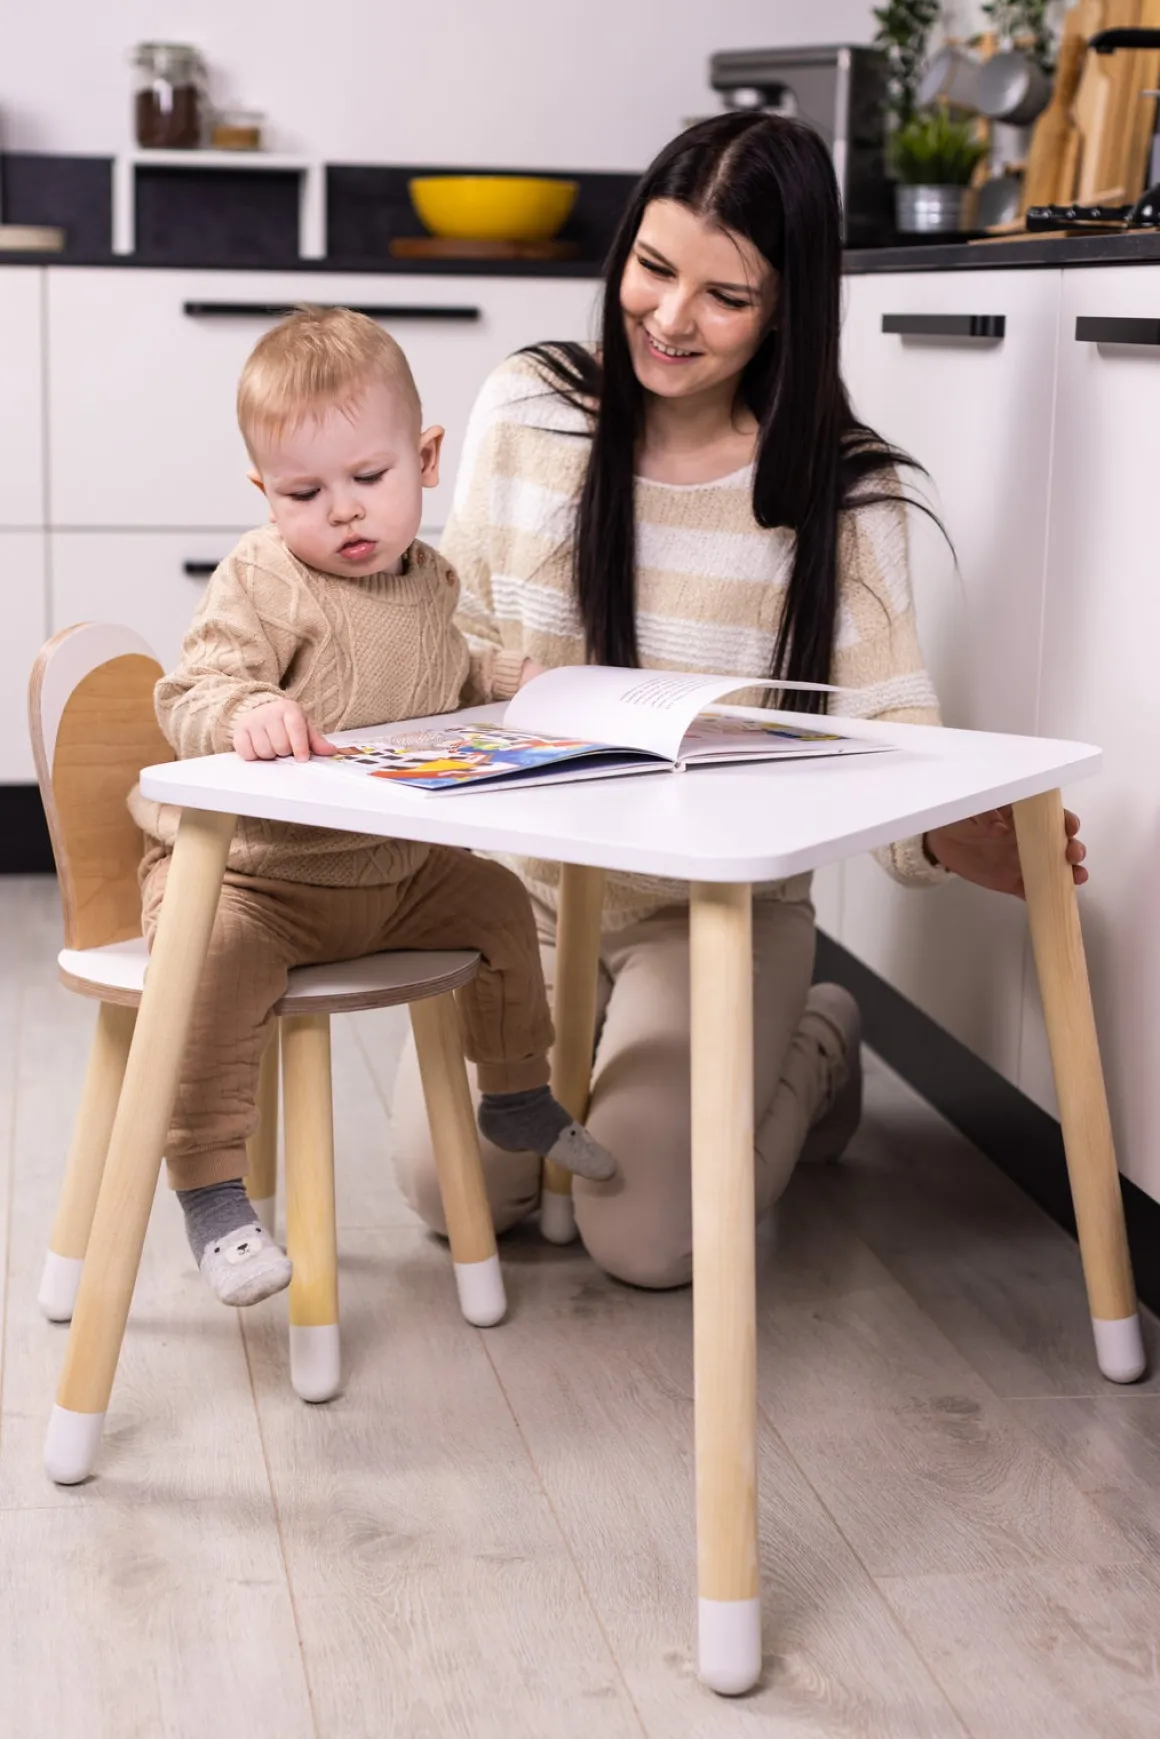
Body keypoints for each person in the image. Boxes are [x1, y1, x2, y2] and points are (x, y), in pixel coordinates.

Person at [390, 112, 1088, 1289]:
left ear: (785, 311)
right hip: (528, 901)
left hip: (712, 913)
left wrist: (941, 835)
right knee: (450, 1187)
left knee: (642, 1236)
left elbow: (885, 726)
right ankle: (616, 1072)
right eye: (652, 268)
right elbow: (450, 635)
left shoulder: (843, 492)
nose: (669, 318)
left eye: (724, 296)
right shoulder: (527, 409)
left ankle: (815, 1044)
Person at [130, 306, 616, 1308]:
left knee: (496, 902)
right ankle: (211, 1189)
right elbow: (189, 691)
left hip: (389, 875)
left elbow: (443, 669)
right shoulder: (263, 577)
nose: (344, 513)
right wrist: (248, 709)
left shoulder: (428, 579)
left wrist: (509, 677)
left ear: (425, 460)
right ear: (265, 494)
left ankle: (517, 1090)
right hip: (253, 881)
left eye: (368, 477)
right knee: (211, 966)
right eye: (304, 493)